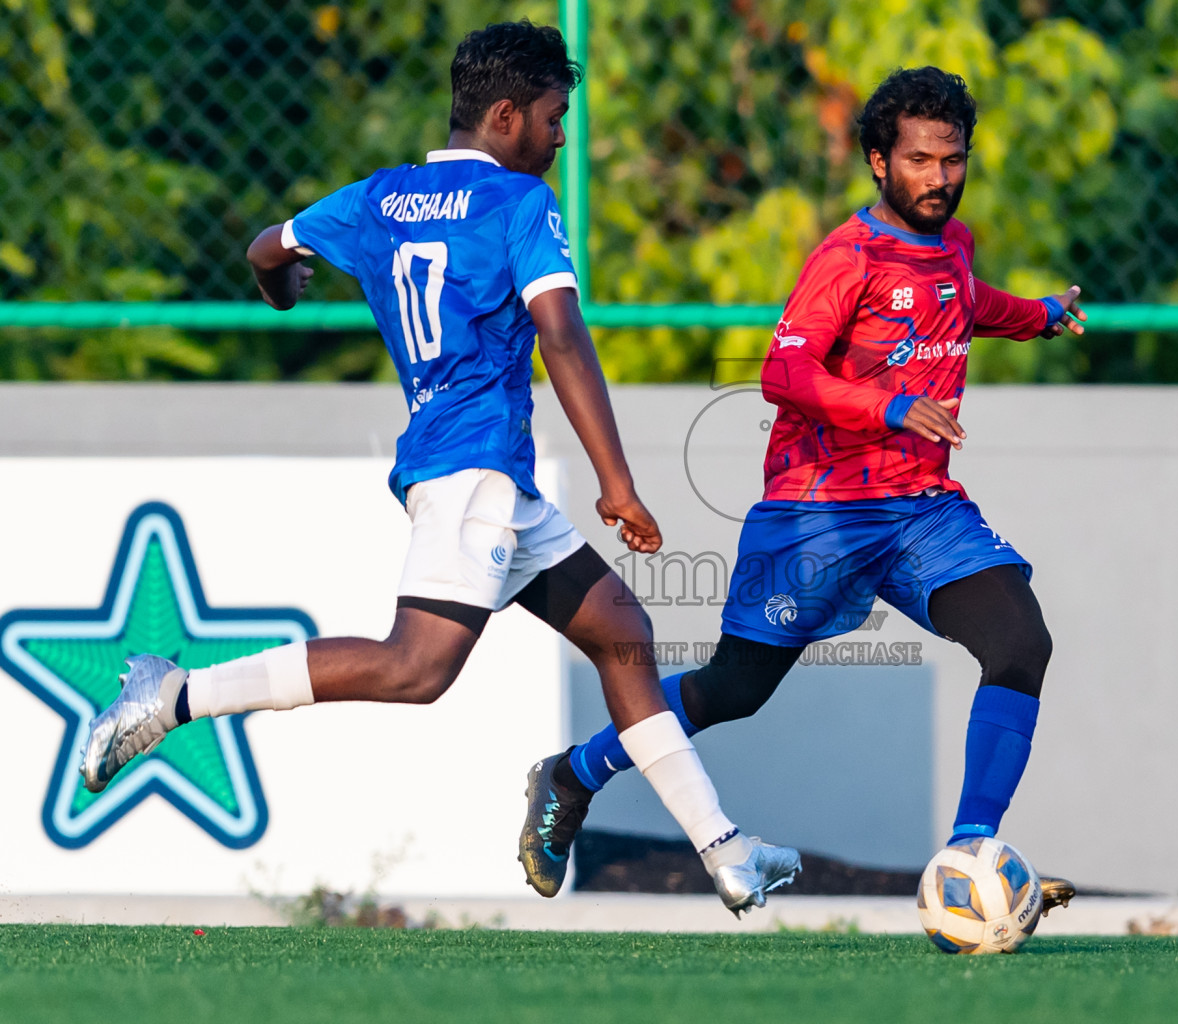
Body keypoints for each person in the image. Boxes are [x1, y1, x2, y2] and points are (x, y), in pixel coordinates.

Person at [80, 19, 799, 917]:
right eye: (553, 116)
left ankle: (726, 853)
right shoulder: (518, 207)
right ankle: (175, 695)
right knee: (414, 669)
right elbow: (563, 335)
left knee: (622, 633)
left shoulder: (378, 198)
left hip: (472, 471)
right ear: (506, 115)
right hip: (476, 472)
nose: (561, 136)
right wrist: (616, 481)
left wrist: (285, 286)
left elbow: (269, 247)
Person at [521, 66, 1082, 910]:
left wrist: (1037, 313)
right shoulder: (847, 257)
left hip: (923, 511)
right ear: (878, 163)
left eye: (953, 160)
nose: (939, 179)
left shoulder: (953, 246)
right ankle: (573, 774)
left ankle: (970, 857)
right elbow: (784, 372)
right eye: (921, 161)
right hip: (815, 510)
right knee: (733, 690)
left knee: (1019, 643)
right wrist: (892, 404)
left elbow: (963, 300)